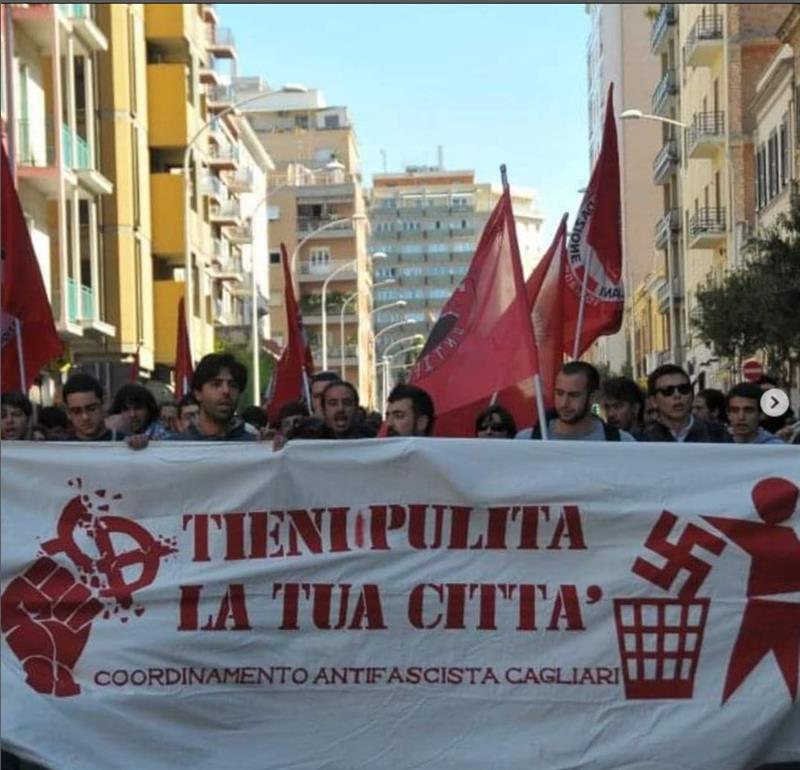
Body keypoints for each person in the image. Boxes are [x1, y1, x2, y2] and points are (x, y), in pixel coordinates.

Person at [518, 361, 635, 441]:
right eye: (559, 393)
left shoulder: (621, 442)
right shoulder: (526, 440)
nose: (564, 403)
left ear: (593, 396)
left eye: (574, 395)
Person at [167, 353, 256, 441]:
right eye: (216, 384)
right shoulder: (172, 448)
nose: (226, 391)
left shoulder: (254, 446)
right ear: (198, 393)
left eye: (233, 385)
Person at [641, 364, 728, 443]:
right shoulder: (642, 439)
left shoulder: (718, 434)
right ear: (654, 401)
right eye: (668, 391)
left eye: (684, 389)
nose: (677, 395)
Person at [61, 373, 126, 441]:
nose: (85, 417)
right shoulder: (60, 449)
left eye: (92, 409)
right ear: (68, 413)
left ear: (103, 404)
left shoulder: (125, 443)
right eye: (77, 412)